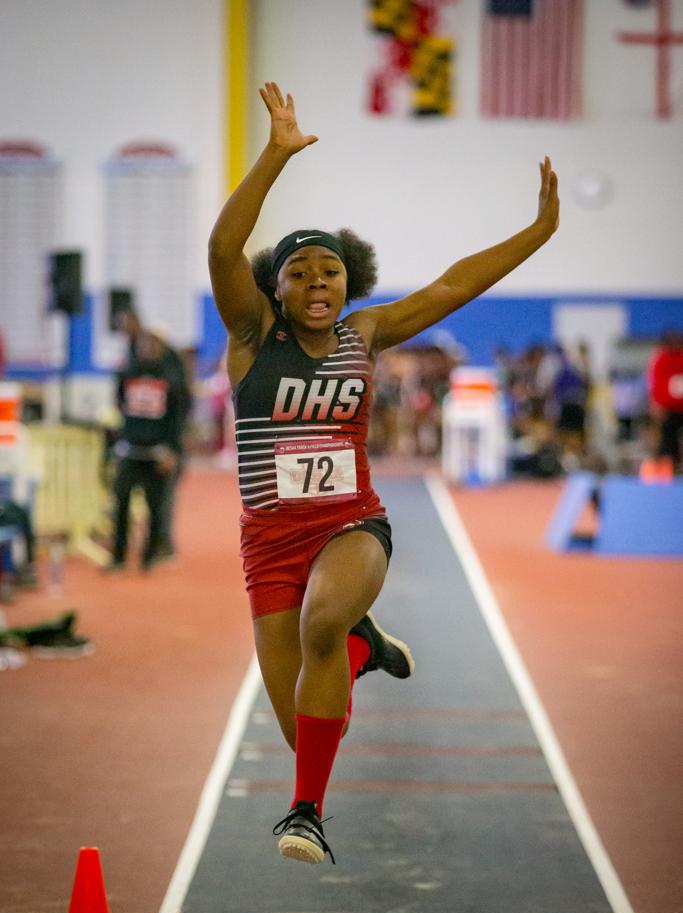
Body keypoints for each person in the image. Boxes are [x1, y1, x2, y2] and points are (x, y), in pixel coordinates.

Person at [208, 81, 559, 865]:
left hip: (348, 524)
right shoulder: (249, 333)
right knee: (300, 722)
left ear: (348, 281)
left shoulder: (367, 333)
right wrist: (273, 156)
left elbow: (453, 284)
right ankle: (362, 650)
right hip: (268, 540)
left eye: (329, 271)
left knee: (320, 625)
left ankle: (305, 815)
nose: (317, 283)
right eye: (299, 271)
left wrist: (538, 230)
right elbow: (224, 250)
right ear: (276, 287)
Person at [106, 328, 185, 571]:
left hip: (157, 453)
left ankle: (149, 557)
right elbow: (119, 404)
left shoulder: (171, 379)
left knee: (156, 509)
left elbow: (177, 417)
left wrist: (172, 450)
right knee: (120, 505)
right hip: (130, 450)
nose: (147, 348)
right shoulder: (127, 373)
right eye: (143, 343)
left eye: (153, 344)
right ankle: (118, 556)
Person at [647, 328, 683, 473]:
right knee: (668, 442)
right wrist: (655, 404)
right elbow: (654, 383)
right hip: (668, 409)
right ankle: (668, 472)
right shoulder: (661, 359)